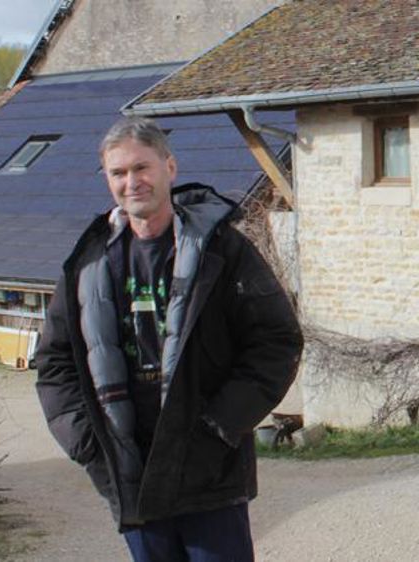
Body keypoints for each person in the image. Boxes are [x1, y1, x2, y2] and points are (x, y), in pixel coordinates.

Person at [34, 116, 303, 561]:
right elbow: (54, 363)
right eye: (119, 173)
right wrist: (86, 442)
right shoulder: (87, 263)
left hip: (209, 472)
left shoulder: (223, 250)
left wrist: (221, 425)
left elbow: (277, 340)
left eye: (142, 168)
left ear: (169, 168)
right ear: (107, 179)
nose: (132, 181)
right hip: (132, 470)